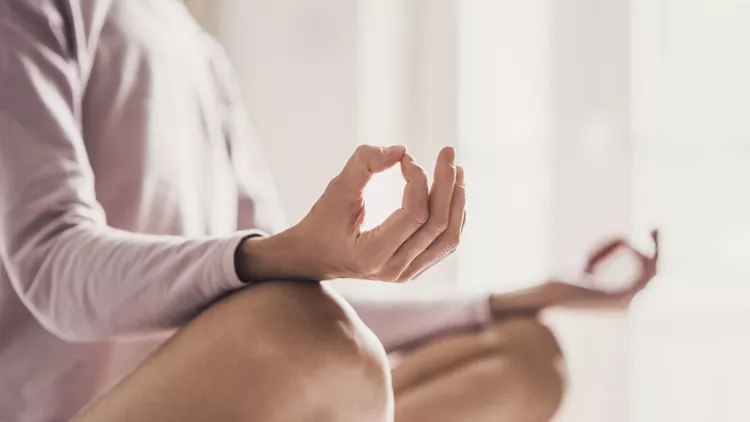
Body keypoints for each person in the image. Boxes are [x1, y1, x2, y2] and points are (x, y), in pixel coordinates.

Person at [0, 1, 659, 421]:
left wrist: (511, 297)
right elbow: (53, 265)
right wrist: (277, 256)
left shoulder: (198, 53)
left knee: (523, 354)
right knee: (299, 325)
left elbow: (298, 294)